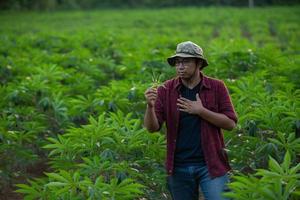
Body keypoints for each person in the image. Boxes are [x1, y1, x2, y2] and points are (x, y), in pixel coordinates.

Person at [144, 41, 238, 200]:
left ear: (199, 63)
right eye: (177, 62)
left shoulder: (216, 87)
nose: (180, 66)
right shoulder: (165, 90)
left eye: (186, 61)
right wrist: (150, 107)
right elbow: (152, 128)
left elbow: (230, 123)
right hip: (178, 165)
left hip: (211, 164)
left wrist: (201, 111)